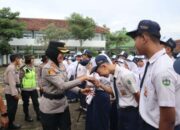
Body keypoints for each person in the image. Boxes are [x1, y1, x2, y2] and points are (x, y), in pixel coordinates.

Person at [127, 19, 179, 130]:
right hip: (147, 122)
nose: (134, 43)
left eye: (135, 39)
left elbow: (168, 119)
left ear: (144, 39)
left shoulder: (163, 68)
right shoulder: (152, 63)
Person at [39, 41, 92, 130]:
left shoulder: (61, 65)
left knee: (66, 127)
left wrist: (80, 90)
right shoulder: (48, 68)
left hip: (63, 105)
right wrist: (83, 78)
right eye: (60, 53)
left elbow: (67, 82)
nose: (62, 56)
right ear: (53, 53)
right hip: (50, 107)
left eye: (63, 53)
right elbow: (62, 86)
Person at [90, 55, 140, 130]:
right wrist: (100, 85)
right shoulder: (112, 76)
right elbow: (113, 92)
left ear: (104, 66)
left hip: (131, 111)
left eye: (98, 72)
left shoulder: (125, 75)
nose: (99, 75)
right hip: (120, 110)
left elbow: (137, 93)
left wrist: (139, 112)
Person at [3, 54, 21, 129]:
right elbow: (12, 82)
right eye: (19, 59)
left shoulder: (14, 67)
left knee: (13, 108)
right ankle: (10, 125)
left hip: (12, 91)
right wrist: (15, 94)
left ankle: (10, 123)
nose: (20, 60)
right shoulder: (11, 68)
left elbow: (16, 80)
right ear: (16, 59)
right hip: (11, 92)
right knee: (11, 109)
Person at [20, 55, 40, 122]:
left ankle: (39, 115)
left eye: (34, 59)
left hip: (33, 89)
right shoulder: (24, 68)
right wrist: (19, 88)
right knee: (26, 103)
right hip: (25, 89)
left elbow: (34, 78)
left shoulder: (33, 67)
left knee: (36, 103)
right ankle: (27, 116)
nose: (34, 60)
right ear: (29, 60)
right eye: (32, 59)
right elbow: (19, 78)